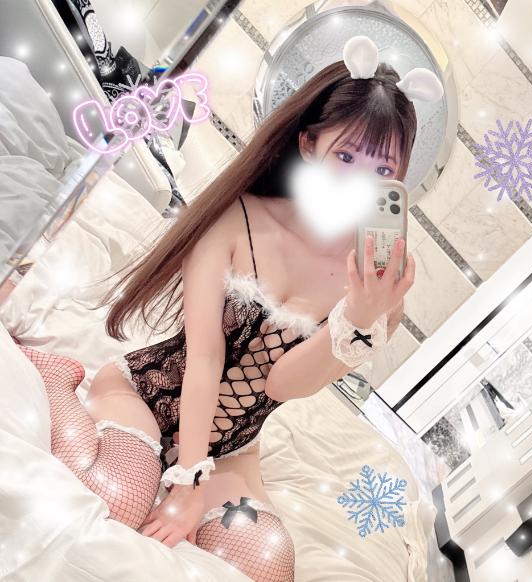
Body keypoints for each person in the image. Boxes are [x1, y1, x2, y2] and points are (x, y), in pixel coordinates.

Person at [44, 36, 442, 581]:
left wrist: (358, 317)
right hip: (149, 395)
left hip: (233, 449)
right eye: (346, 156)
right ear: (309, 145)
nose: (359, 181)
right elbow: (205, 357)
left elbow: (283, 384)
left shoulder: (379, 291)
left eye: (381, 171)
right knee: (119, 494)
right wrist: (186, 483)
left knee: (269, 564)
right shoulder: (236, 218)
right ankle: (56, 377)